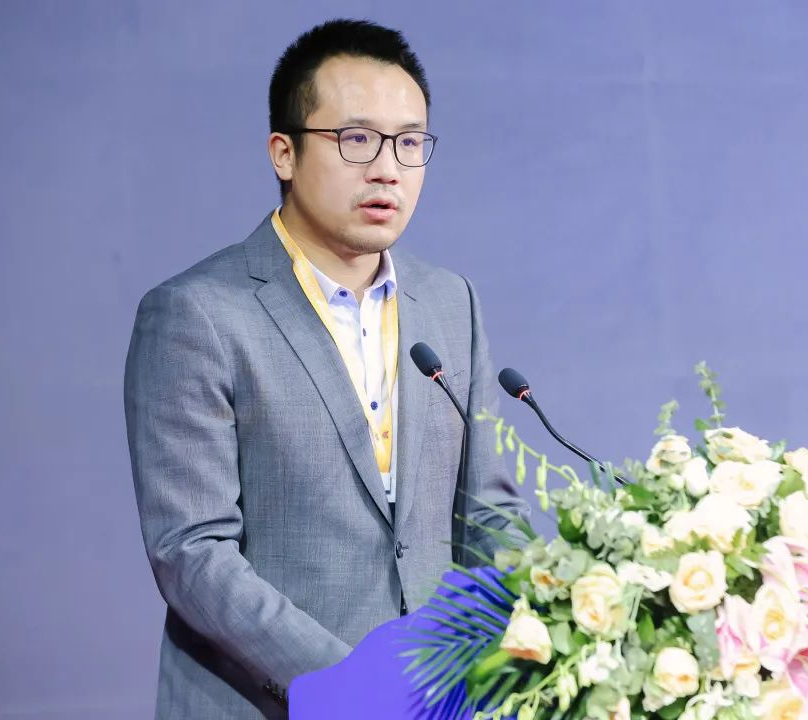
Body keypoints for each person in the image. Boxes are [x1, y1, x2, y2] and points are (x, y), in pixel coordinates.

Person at [123, 18, 529, 719]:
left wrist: (516, 643)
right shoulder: (197, 314)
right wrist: (352, 686)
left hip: (441, 702)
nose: (387, 169)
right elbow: (191, 552)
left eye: (409, 143)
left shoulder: (449, 303)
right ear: (284, 153)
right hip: (274, 703)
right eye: (357, 139)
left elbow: (488, 514)